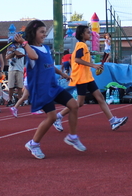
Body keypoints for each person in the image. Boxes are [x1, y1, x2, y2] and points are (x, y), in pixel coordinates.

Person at [19, 20, 85, 159]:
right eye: (41, 32)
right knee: (52, 117)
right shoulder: (30, 49)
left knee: (74, 105)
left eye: (44, 32)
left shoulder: (46, 48)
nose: (44, 34)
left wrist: (62, 73)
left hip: (53, 86)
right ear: (33, 33)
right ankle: (33, 144)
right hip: (41, 90)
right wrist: (24, 44)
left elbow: (49, 65)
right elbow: (34, 57)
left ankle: (72, 136)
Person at [55, 25, 128, 132]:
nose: (90, 34)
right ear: (82, 34)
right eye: (88, 32)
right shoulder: (81, 45)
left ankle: (113, 121)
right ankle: (58, 117)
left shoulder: (83, 45)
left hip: (87, 77)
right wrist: (93, 65)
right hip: (81, 78)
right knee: (79, 103)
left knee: (100, 98)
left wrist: (94, 66)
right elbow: (77, 59)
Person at [5, 42, 25, 117]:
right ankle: (10, 100)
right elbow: (7, 57)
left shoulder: (22, 49)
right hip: (11, 69)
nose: (16, 44)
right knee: (11, 86)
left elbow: (20, 55)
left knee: (20, 86)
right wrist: (13, 52)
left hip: (19, 69)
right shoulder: (9, 50)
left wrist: (14, 51)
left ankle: (20, 100)